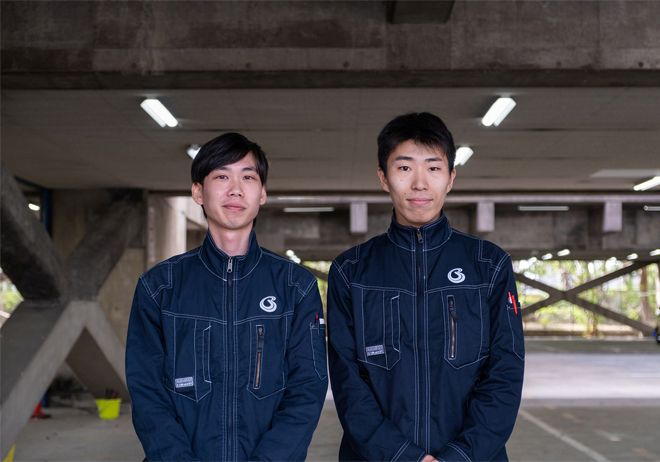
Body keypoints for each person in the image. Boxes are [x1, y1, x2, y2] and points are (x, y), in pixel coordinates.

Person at [328, 113, 525, 462]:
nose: (419, 183)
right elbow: (348, 383)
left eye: (433, 168)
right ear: (383, 178)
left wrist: (459, 456)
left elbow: (505, 374)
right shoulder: (351, 271)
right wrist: (403, 456)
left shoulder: (488, 265)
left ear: (450, 178)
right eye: (404, 168)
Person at [126, 132, 327, 461]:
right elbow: (147, 392)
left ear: (262, 193)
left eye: (248, 177)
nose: (236, 189)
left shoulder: (295, 287)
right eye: (222, 176)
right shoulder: (160, 287)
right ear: (198, 192)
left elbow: (307, 389)